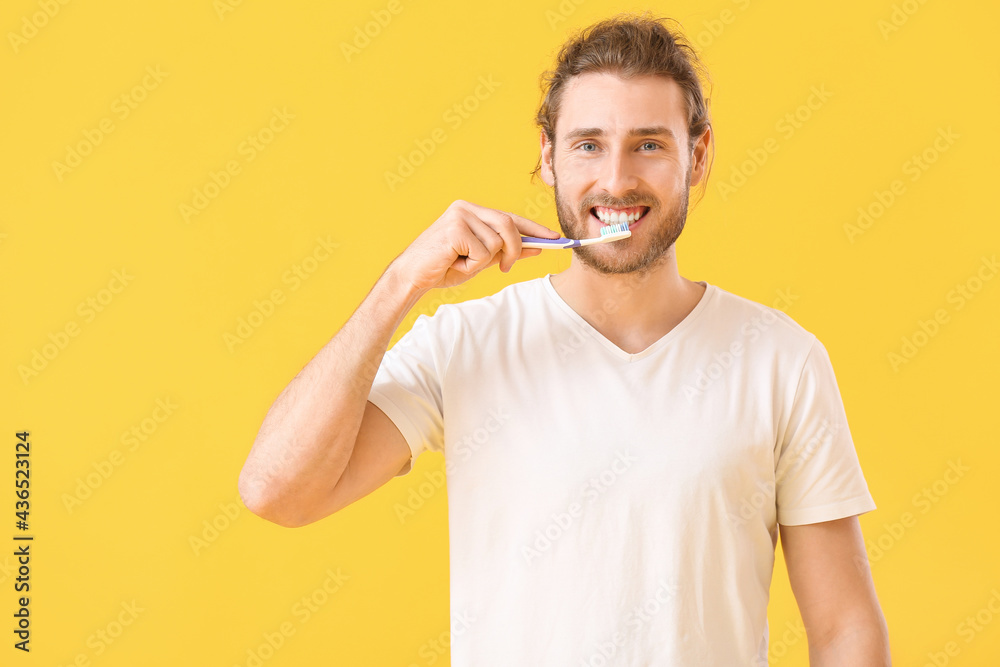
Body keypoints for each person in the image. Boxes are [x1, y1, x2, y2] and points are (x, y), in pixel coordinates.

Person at [238, 11, 891, 665]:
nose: (615, 178)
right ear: (547, 157)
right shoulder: (467, 343)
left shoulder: (782, 362)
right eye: (587, 145)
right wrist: (400, 285)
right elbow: (277, 490)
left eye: (649, 144)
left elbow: (843, 631)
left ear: (698, 155)